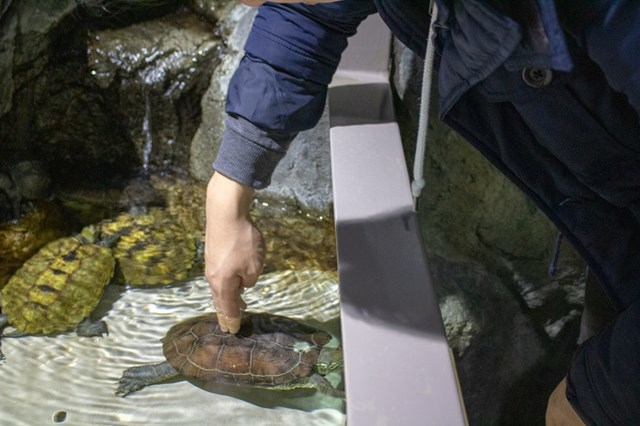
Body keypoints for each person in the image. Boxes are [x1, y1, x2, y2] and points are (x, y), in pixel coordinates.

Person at [204, 0, 640, 424]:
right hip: (610, 226)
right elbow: (309, 12)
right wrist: (228, 188)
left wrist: (610, 393)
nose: (251, 5)